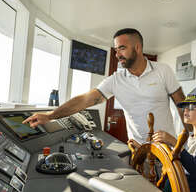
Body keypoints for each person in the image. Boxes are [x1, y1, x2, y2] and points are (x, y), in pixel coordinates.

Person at [23, 28, 186, 144]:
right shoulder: (116, 80)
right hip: (138, 150)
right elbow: (85, 100)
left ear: (137, 47)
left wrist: (191, 136)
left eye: (122, 48)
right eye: (116, 50)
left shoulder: (163, 70)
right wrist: (51, 115)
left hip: (168, 146)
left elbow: (181, 104)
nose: (117, 54)